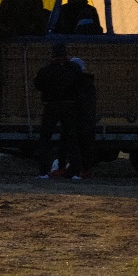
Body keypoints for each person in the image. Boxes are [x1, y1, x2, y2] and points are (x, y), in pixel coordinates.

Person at [32, 43, 82, 178]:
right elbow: (80, 85)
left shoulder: (46, 70)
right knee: (71, 138)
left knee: (45, 139)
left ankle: (44, 171)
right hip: (69, 106)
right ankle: (76, 172)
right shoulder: (74, 69)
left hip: (51, 106)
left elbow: (38, 84)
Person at [71, 56, 100, 176]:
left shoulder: (78, 84)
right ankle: (85, 170)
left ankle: (80, 170)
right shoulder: (88, 83)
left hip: (81, 119)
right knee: (86, 146)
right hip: (88, 119)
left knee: (79, 145)